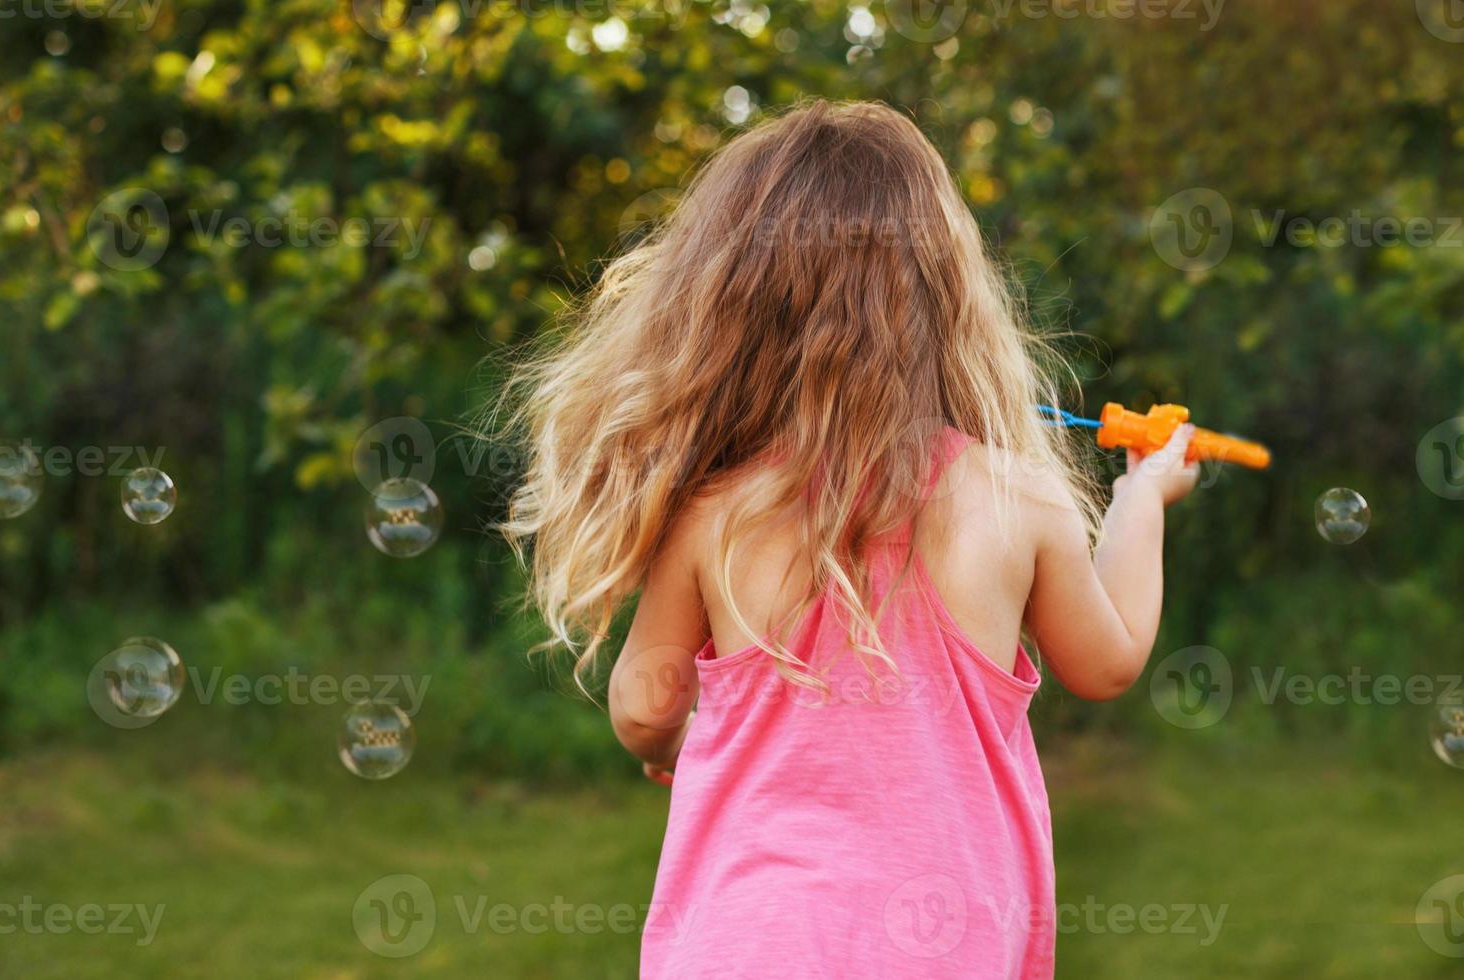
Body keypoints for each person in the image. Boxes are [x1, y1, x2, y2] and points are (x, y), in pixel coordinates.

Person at [497, 99, 1198, 979]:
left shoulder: (717, 509)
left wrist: (674, 749)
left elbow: (644, 703)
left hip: (740, 949)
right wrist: (1143, 500)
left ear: (730, 309)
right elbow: (1110, 661)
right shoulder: (1016, 500)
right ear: (946, 294)